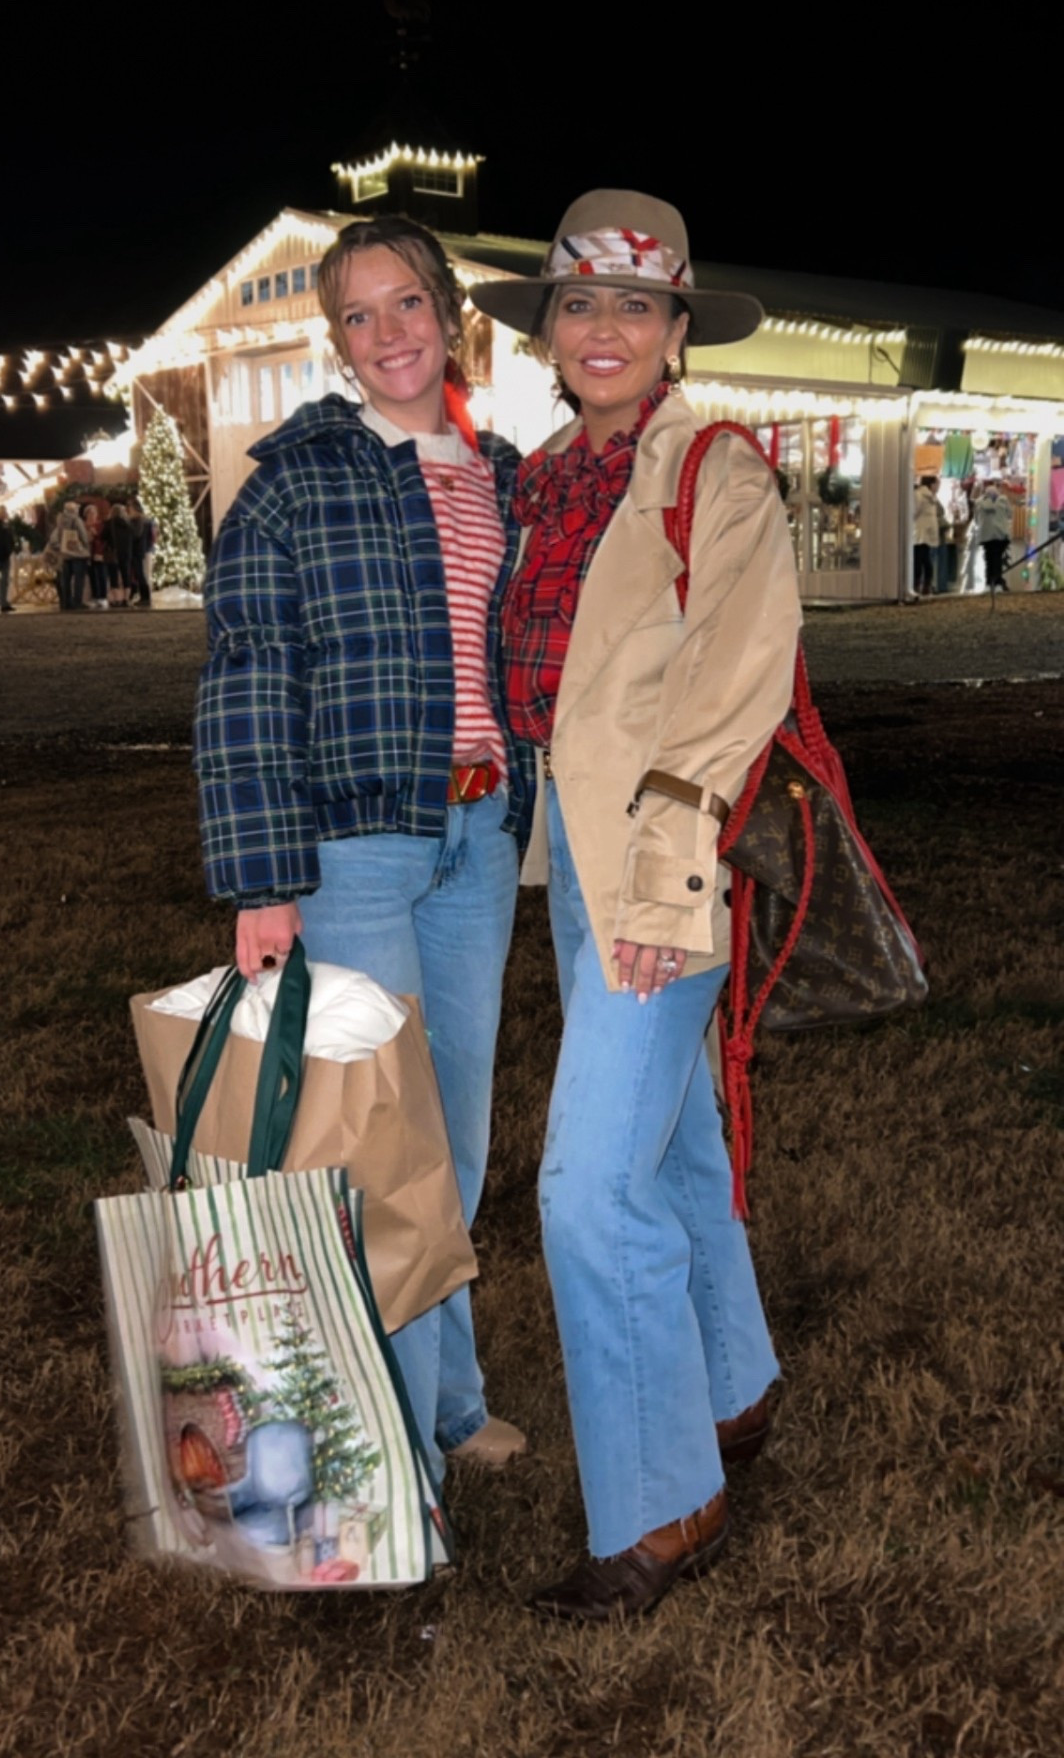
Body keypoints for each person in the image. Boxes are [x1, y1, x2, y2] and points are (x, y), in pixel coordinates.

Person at [470, 190, 802, 1622]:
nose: (603, 327)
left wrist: (668, 875)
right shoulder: (544, 479)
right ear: (550, 329)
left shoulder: (715, 472)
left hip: (661, 866)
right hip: (573, 856)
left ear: (675, 330)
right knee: (667, 1146)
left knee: (589, 1187)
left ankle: (666, 1502)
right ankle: (733, 1388)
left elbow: (737, 681)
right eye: (579, 302)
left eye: (634, 304)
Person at [194, 214, 536, 1499]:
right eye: (358, 313)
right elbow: (246, 680)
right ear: (336, 339)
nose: (388, 332)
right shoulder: (294, 478)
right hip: (354, 854)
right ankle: (390, 1449)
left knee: (455, 1142)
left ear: (448, 312)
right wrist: (262, 880)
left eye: (408, 303)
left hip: (478, 841)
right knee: (378, 1152)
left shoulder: (504, 474)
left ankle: (449, 1403)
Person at [975, 477, 1013, 591]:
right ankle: (997, 583)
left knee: (989, 559)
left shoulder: (978, 502)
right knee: (997, 559)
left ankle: (988, 583)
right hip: (1000, 534)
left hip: (985, 534)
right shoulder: (1003, 500)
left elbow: (976, 520)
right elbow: (1010, 514)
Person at [55, 501, 91, 609]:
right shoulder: (76, 520)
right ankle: (77, 601)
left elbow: (58, 535)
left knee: (66, 579)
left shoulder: (60, 520)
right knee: (78, 579)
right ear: (74, 510)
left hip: (65, 553)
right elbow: (83, 536)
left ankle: (67, 602)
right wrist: (86, 546)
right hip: (77, 553)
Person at [912, 475, 941, 596]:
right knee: (925, 559)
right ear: (932, 484)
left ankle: (917, 585)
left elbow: (913, 512)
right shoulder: (930, 497)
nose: (938, 487)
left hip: (919, 531)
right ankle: (925, 585)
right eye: (937, 484)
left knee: (919, 559)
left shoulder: (919, 495)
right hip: (926, 531)